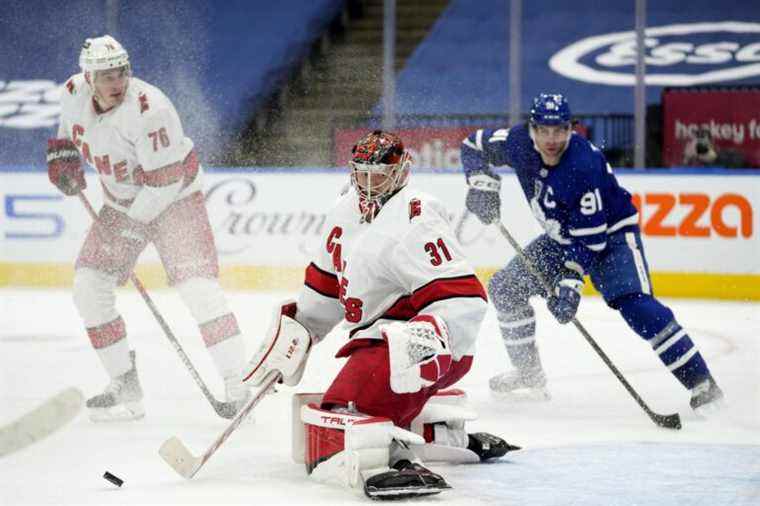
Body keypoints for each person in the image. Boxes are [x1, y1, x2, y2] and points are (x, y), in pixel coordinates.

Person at [241, 130, 517, 499]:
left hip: (422, 350)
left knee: (339, 417)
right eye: (363, 172)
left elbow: (465, 300)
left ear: (401, 171)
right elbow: (325, 291)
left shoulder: (417, 220)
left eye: (380, 174)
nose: (370, 183)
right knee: (339, 409)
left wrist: (423, 340)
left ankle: (393, 460)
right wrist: (296, 336)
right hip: (377, 346)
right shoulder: (343, 212)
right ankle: (444, 434)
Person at [460, 93, 724, 412]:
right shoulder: (517, 141)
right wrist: (481, 185)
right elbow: (472, 145)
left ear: (571, 128)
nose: (551, 139)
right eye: (544, 130)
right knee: (506, 288)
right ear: (532, 129)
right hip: (562, 238)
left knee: (637, 307)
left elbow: (591, 240)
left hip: (611, 237)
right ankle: (529, 375)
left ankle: (702, 384)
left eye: (559, 130)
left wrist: (569, 286)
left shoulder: (582, 164)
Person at [46, 35, 248, 422]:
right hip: (120, 204)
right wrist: (63, 155)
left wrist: (131, 227)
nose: (116, 80)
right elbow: (66, 128)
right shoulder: (72, 92)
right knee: (88, 287)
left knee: (198, 290)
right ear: (88, 77)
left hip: (176, 203)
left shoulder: (149, 110)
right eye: (106, 75)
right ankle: (124, 383)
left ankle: (239, 383)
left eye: (121, 71)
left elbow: (164, 184)